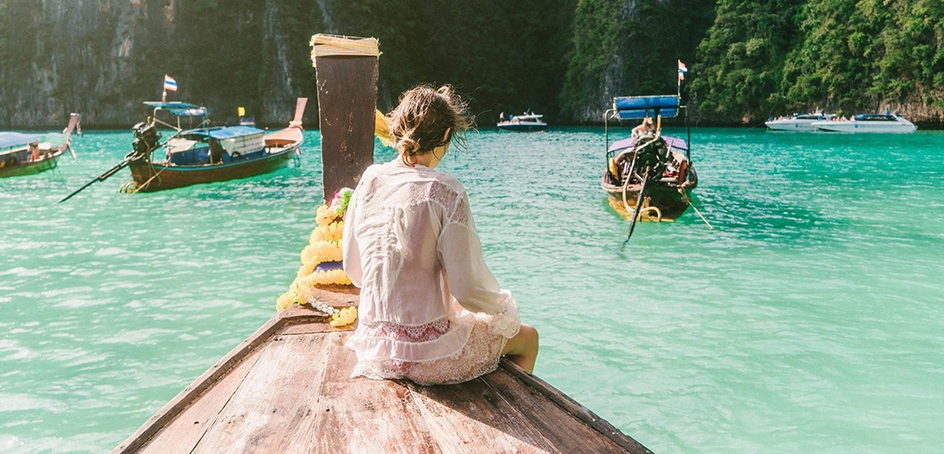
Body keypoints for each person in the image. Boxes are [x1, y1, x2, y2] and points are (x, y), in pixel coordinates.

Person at [342, 85, 539, 385]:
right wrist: (503, 309)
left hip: (374, 349)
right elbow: (467, 290)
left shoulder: (369, 181)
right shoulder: (445, 191)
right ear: (445, 136)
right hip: (429, 357)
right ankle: (510, 413)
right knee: (528, 338)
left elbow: (354, 271)